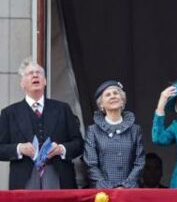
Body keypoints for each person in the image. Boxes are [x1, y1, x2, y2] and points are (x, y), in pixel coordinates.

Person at [0, 58, 83, 189]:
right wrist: (19, 148)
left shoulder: (63, 109)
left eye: (39, 73)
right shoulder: (9, 113)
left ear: (45, 81)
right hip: (25, 177)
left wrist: (61, 149)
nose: (35, 75)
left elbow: (78, 143)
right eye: (30, 73)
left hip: (58, 175)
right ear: (22, 83)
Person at [83, 80, 145, 189]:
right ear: (101, 104)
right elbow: (90, 164)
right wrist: (107, 187)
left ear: (122, 101)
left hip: (130, 191)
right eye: (108, 95)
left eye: (116, 93)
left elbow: (140, 162)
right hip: (102, 193)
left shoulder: (135, 129)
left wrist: (126, 186)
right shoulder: (93, 131)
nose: (113, 96)